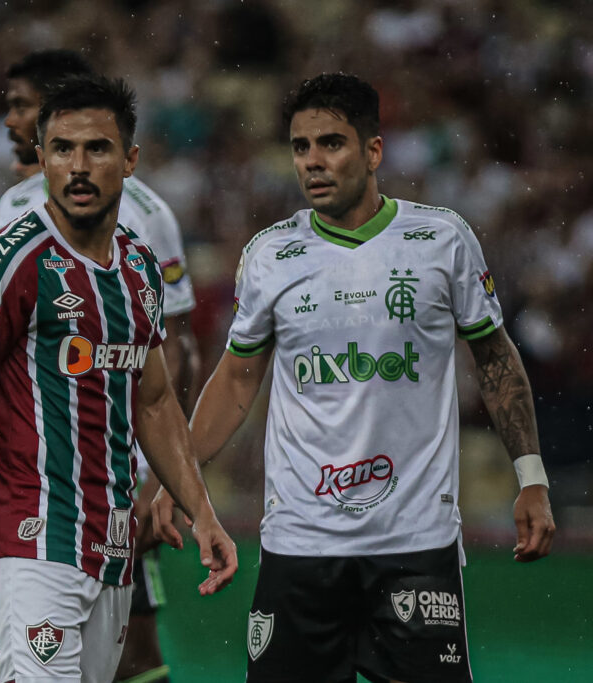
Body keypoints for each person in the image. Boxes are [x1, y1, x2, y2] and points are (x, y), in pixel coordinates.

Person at [153, 73, 555, 683]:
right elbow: (236, 381)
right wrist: (178, 479)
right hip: (301, 544)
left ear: (373, 151)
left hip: (414, 542)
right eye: (300, 146)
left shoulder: (441, 240)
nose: (313, 161)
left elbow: (495, 359)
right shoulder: (270, 254)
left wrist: (531, 477)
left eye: (331, 143)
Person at [0, 74, 237, 683]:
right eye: (62, 149)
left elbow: (157, 400)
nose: (78, 166)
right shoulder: (10, 259)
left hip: (110, 543)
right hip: (28, 535)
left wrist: (202, 511)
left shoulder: (140, 266)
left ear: (130, 159)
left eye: (97, 148)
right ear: (41, 161)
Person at [0, 48, 199, 683]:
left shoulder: (146, 218)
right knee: (12, 639)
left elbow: (173, 347)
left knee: (133, 644)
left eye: (23, 106)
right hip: (25, 475)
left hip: (115, 477)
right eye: (13, 109)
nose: (11, 122)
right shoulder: (13, 209)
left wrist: (159, 472)